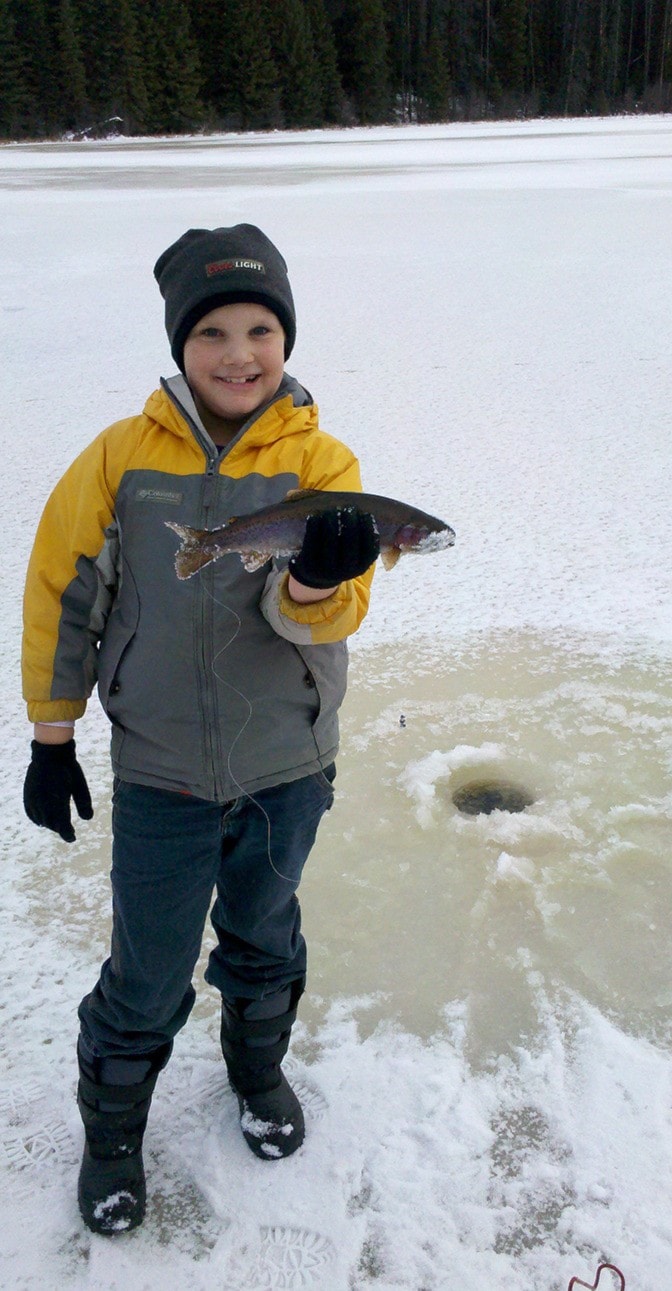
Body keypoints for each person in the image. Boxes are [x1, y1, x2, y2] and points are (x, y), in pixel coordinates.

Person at [21, 223, 379, 1235]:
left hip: (285, 764)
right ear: (179, 344)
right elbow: (63, 593)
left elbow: (336, 613)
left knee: (263, 934)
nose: (238, 353)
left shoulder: (321, 460)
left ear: (286, 338)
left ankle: (255, 1074)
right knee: (146, 967)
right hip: (162, 772)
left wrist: (313, 579)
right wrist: (53, 738)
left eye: (260, 328)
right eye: (212, 331)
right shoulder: (118, 461)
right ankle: (113, 1131)